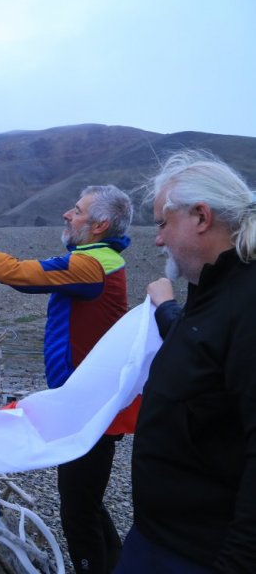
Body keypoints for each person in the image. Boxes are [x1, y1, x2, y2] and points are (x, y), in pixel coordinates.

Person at [0, 184, 133, 574]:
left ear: (100, 224)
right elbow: (25, 264)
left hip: (86, 409)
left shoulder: (89, 266)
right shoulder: (95, 259)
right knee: (88, 502)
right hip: (89, 403)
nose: (67, 214)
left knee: (78, 511)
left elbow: (19, 274)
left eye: (76, 210)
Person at [113, 150, 256, 573]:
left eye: (162, 222)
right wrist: (164, 308)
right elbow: (198, 341)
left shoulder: (247, 302)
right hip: (157, 539)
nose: (157, 239)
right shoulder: (211, 290)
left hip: (198, 554)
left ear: (200, 216)